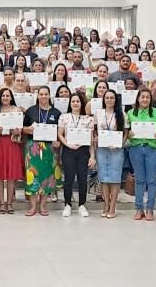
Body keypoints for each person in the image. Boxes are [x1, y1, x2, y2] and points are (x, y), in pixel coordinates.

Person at [21, 86, 62, 217]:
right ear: (37, 96)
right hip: (33, 148)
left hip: (50, 149)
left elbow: (59, 132)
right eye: (41, 94)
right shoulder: (31, 111)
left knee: (47, 177)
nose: (43, 96)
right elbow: (23, 128)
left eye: (46, 94)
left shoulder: (56, 113)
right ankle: (33, 206)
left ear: (49, 96)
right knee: (32, 176)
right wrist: (27, 130)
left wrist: (57, 141)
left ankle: (43, 205)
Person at [126, 89, 156, 221]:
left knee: (152, 180)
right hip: (136, 148)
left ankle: (150, 209)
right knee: (140, 180)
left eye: (148, 97)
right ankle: (139, 208)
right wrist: (128, 134)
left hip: (153, 148)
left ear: (151, 99)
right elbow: (126, 130)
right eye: (142, 97)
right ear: (138, 99)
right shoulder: (130, 113)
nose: (145, 99)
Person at [56, 93, 95, 218]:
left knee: (83, 178)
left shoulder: (88, 119)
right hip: (68, 150)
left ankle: (82, 205)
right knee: (69, 178)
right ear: (70, 103)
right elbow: (60, 134)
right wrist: (67, 144)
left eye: (78, 101)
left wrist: (92, 156)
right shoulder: (64, 117)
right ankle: (67, 204)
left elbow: (91, 139)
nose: (75, 103)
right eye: (73, 101)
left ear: (81, 103)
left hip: (83, 151)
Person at [95, 89, 127, 218]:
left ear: (116, 100)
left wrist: (120, 144)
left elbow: (125, 133)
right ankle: (106, 204)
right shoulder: (98, 113)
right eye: (107, 97)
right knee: (103, 178)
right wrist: (97, 138)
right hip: (102, 149)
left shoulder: (121, 114)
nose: (109, 100)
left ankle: (113, 205)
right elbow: (95, 131)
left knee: (114, 178)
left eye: (112, 98)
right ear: (103, 99)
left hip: (116, 150)